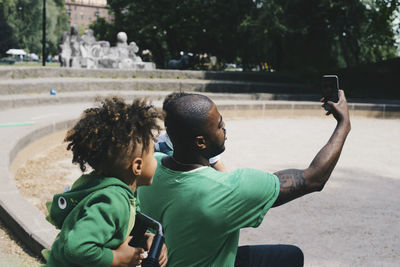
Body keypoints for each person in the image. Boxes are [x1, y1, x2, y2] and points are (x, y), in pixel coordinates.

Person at [137, 90, 351, 266]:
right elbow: (314, 178)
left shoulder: (151, 164)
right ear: (200, 142)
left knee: (288, 256)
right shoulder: (227, 189)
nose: (224, 128)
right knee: (291, 258)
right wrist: (344, 124)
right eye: (219, 125)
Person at [44, 97, 167, 267]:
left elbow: (112, 229)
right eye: (152, 154)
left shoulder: (108, 185)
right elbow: (76, 248)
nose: (155, 160)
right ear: (137, 166)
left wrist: (146, 237)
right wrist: (117, 258)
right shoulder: (113, 201)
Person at [155, 92, 226, 172]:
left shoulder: (207, 146)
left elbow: (219, 166)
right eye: (219, 126)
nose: (224, 126)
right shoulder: (157, 147)